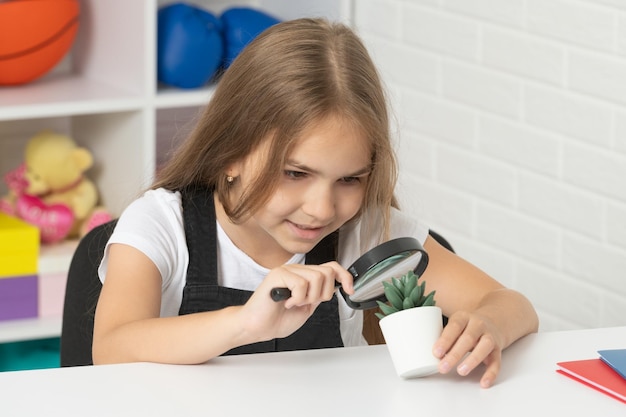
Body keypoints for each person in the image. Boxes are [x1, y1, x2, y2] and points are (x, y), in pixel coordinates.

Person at [92, 17, 538, 388]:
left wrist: (490, 325)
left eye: (349, 179)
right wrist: (247, 322)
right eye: (295, 173)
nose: (322, 209)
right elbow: (111, 349)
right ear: (231, 154)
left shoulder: (366, 232)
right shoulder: (161, 224)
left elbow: (509, 302)